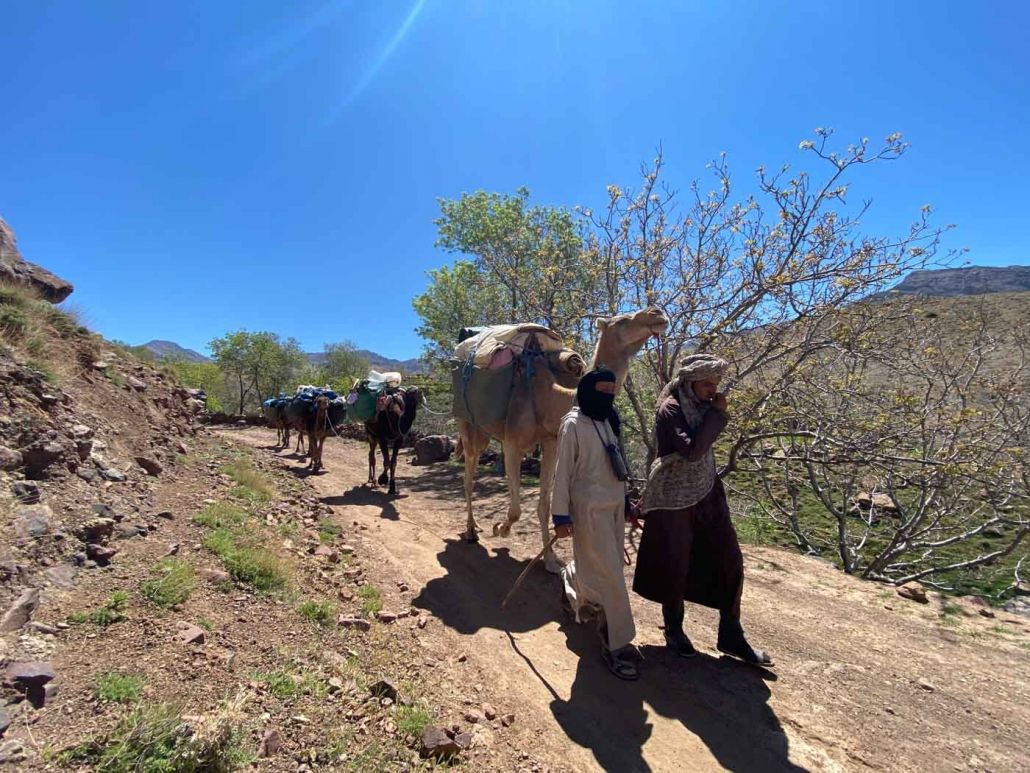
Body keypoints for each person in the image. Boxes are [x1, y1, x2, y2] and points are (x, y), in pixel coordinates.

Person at [632, 353, 772, 666]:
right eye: (707, 383)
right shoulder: (671, 409)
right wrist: (718, 414)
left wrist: (713, 413)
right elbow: (693, 451)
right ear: (690, 382)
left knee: (730, 559)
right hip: (673, 497)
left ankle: (731, 634)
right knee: (675, 563)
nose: (713, 390)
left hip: (707, 490)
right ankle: (674, 629)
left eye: (715, 384)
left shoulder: (702, 407)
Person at [552, 368, 640, 680]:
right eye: (602, 390)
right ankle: (614, 644)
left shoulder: (606, 421)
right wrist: (560, 515)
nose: (607, 397)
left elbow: (618, 463)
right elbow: (562, 473)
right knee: (611, 577)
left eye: (611, 392)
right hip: (589, 511)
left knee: (602, 567)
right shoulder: (572, 424)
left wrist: (626, 501)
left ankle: (569, 579)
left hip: (614, 507)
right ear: (588, 390)